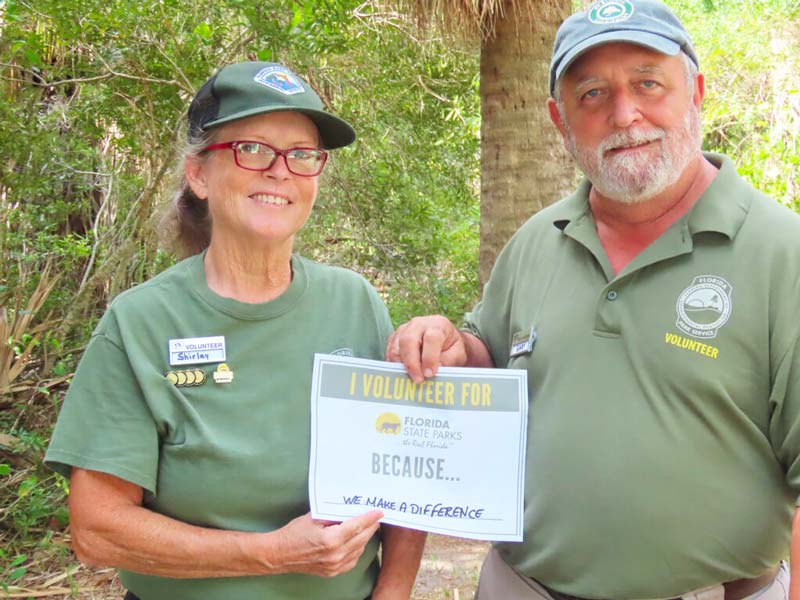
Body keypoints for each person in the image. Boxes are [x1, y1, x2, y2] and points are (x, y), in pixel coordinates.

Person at [387, 1, 800, 599]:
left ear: (696, 92)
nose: (625, 115)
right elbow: (489, 360)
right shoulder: (536, 240)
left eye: (647, 83)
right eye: (592, 95)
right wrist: (450, 344)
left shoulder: (783, 251)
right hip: (521, 588)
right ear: (560, 119)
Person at [45, 61, 425, 600]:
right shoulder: (141, 323)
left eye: (301, 154)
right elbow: (97, 529)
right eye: (251, 149)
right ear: (198, 174)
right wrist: (271, 553)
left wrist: (393, 593)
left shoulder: (356, 302)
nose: (280, 171)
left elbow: (403, 479)